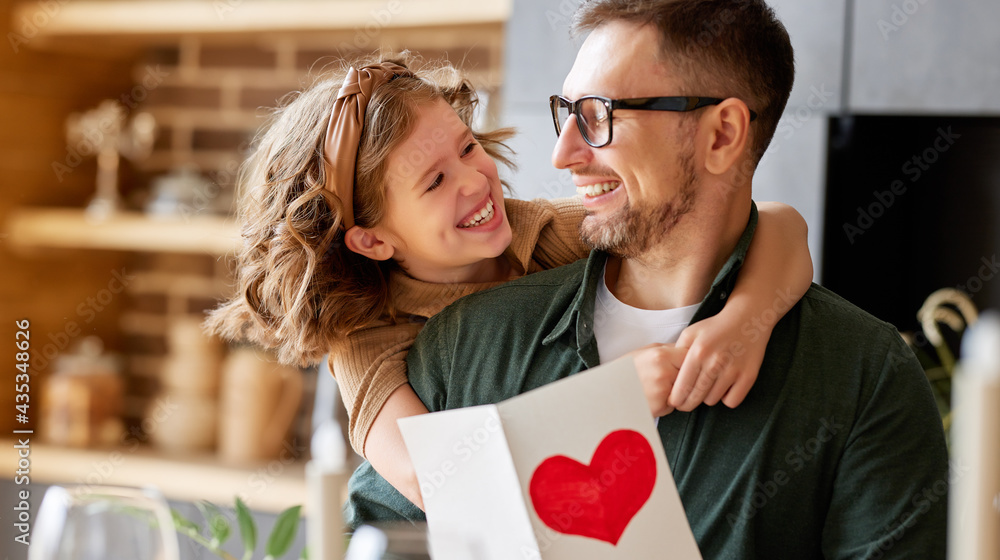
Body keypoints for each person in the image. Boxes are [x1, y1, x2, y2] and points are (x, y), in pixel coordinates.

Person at [344, 1, 950, 558]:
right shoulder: (462, 346)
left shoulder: (863, 378)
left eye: (599, 116)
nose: (562, 155)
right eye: (567, 112)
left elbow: (782, 226)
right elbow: (368, 539)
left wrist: (747, 320)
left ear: (722, 134)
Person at [206, 52, 811, 511]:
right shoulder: (365, 336)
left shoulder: (549, 232)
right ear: (371, 239)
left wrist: (742, 326)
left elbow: (777, 225)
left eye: (467, 148)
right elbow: (432, 478)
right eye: (434, 182)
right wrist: (612, 398)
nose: (474, 181)